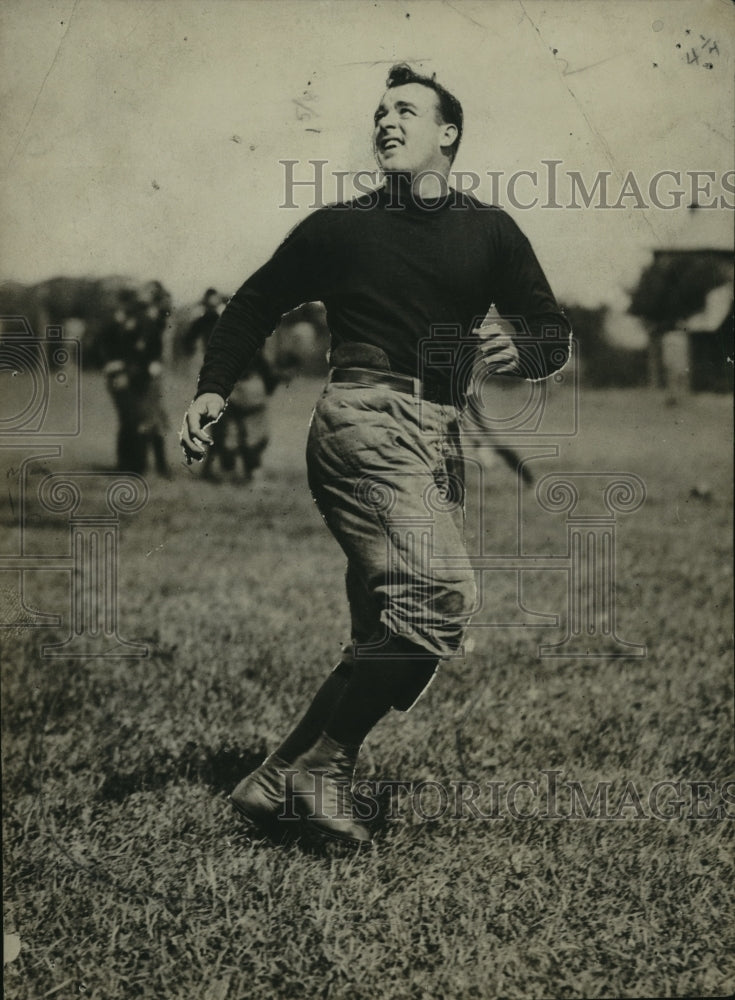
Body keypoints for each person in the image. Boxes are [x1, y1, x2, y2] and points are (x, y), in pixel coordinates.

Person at [180, 64, 571, 847]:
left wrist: (523, 348)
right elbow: (254, 301)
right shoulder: (339, 227)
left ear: (447, 133)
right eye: (379, 112)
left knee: (398, 632)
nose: (386, 122)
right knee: (442, 598)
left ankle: (275, 778)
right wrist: (213, 387)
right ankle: (319, 770)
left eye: (405, 109)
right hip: (363, 419)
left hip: (436, 435)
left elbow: (550, 332)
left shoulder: (490, 231)